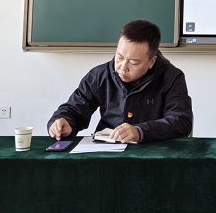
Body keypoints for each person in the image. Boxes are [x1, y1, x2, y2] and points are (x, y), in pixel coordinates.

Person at [48, 19, 193, 143]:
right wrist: (64, 121)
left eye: (134, 62)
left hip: (154, 152)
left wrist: (140, 132)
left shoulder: (172, 77)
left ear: (151, 62)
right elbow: (74, 109)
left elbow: (181, 121)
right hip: (108, 150)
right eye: (119, 57)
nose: (123, 68)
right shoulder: (99, 75)